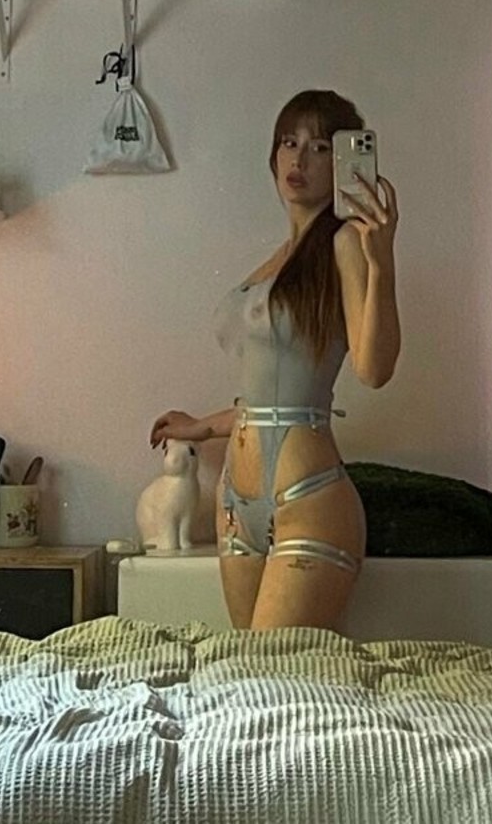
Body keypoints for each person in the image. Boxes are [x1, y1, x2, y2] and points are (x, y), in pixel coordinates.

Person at [149, 89, 400, 631]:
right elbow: (272, 391)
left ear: (343, 163)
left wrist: (382, 263)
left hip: (308, 497)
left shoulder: (345, 244)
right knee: (251, 671)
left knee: (278, 668)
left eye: (319, 148)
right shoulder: (277, 261)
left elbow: (374, 369)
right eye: (289, 142)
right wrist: (202, 427)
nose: (299, 158)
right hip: (236, 503)